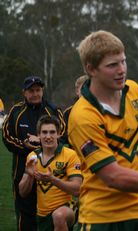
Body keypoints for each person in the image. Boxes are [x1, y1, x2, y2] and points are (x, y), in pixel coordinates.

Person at [68, 30, 138, 230]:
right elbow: (113, 176)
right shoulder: (82, 116)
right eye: (112, 65)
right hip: (104, 218)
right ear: (91, 69)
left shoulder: (133, 90)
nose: (122, 70)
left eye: (123, 61)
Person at [2, 76, 66, 231]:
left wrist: (41, 142)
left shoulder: (53, 110)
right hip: (22, 171)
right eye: (31, 91)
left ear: (42, 91)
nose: (35, 94)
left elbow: (63, 135)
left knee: (53, 215)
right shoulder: (16, 111)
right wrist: (25, 146)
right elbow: (6, 137)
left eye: (38, 90)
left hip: (52, 173)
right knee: (25, 214)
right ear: (24, 93)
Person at [18, 115, 82, 231]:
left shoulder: (70, 155)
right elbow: (22, 192)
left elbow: (78, 189)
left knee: (58, 216)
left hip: (66, 209)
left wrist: (53, 179)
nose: (48, 137)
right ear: (38, 135)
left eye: (52, 132)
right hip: (42, 214)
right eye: (44, 132)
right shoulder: (32, 157)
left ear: (58, 134)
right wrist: (30, 175)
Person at [61, 75, 89, 146]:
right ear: (77, 91)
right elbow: (63, 138)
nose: (87, 91)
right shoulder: (68, 113)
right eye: (83, 88)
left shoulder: (101, 110)